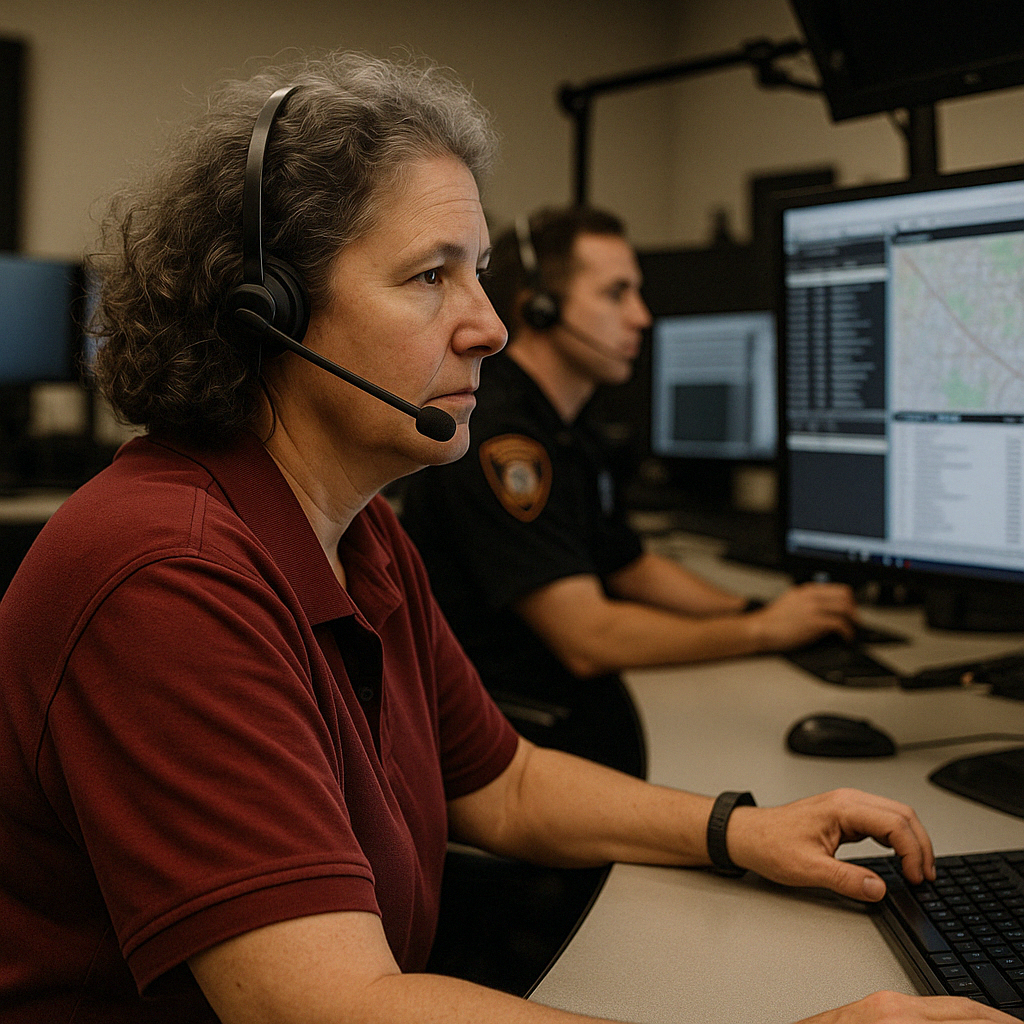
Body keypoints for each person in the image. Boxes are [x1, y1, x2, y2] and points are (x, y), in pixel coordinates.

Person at [0, 51, 1010, 1024]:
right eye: (430, 277)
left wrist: (737, 827)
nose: (488, 324)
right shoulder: (169, 576)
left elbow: (505, 783)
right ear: (268, 315)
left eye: (478, 271)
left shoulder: (360, 537)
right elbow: (321, 1004)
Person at [400, 206, 860, 737]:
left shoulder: (569, 429)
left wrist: (754, 606)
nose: (642, 316)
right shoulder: (501, 441)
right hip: (514, 736)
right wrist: (761, 630)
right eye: (616, 294)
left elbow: (628, 566)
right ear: (542, 310)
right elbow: (589, 639)